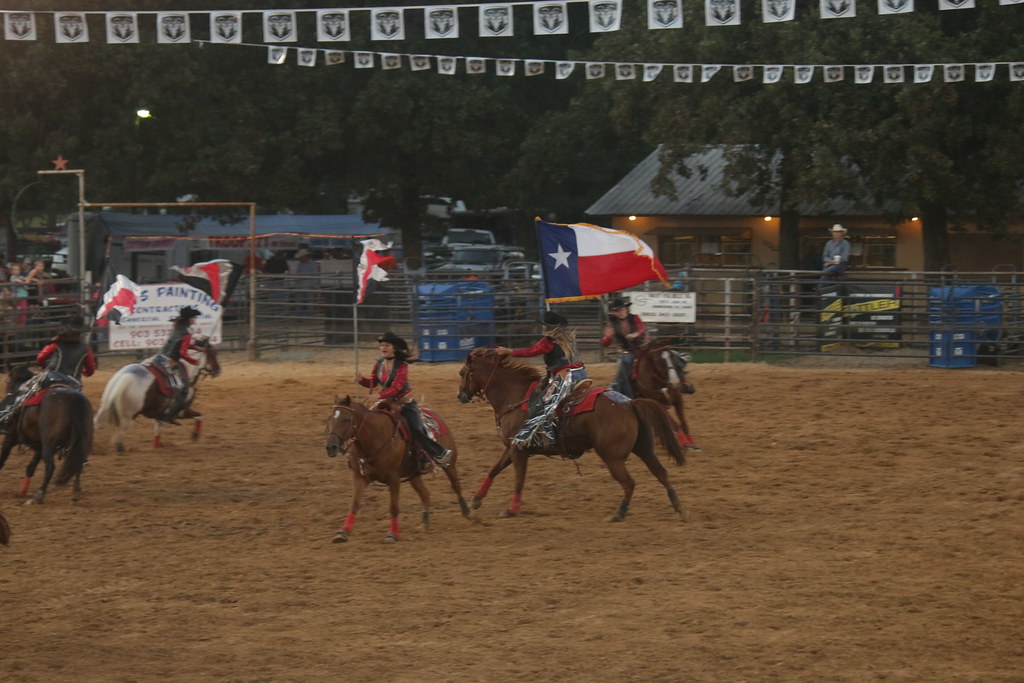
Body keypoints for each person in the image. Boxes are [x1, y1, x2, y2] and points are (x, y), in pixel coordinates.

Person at [354, 331, 452, 468]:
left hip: (404, 403)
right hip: (387, 402)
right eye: (381, 345)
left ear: (393, 348)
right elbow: (373, 382)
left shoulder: (402, 365)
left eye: (386, 345)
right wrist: (361, 380)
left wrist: (379, 395)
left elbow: (397, 387)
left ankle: (436, 453)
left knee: (416, 428)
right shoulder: (378, 364)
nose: (383, 348)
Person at [494, 310, 587, 448]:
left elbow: (530, 352)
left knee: (544, 404)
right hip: (581, 374)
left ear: (549, 328)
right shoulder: (568, 339)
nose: (542, 327)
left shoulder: (548, 342)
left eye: (544, 325)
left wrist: (509, 351)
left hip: (566, 376)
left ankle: (549, 438)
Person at [0, 313, 96, 433]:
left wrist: (46, 365)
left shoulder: (56, 341)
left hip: (51, 377)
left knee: (21, 392)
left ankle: (5, 417)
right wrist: (83, 371)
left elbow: (41, 358)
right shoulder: (85, 347)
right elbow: (91, 370)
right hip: (74, 383)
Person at [153, 306, 206, 425]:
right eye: (193, 317)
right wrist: (193, 361)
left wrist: (198, 347)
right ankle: (170, 415)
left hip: (160, 358)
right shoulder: (186, 333)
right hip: (171, 361)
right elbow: (182, 352)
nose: (195, 320)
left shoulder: (177, 330)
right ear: (189, 319)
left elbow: (183, 345)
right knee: (184, 389)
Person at [601, 297, 647, 398]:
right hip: (626, 351)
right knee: (626, 361)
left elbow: (642, 329)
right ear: (615, 313)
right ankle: (624, 392)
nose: (621, 312)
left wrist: (635, 334)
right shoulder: (612, 325)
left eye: (622, 309)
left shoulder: (635, 318)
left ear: (626, 309)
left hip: (641, 348)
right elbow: (605, 343)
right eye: (618, 311)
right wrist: (607, 337)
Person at [293, 249, 318, 314]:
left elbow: (315, 274)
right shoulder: (300, 264)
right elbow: (297, 274)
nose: (299, 259)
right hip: (301, 286)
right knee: (299, 301)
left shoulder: (312, 264)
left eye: (300, 257)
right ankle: (299, 314)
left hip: (309, 285)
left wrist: (314, 285)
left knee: (309, 301)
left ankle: (309, 314)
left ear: (304, 256)